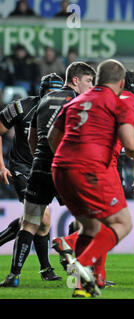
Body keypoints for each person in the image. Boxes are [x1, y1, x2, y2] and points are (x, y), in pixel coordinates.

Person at [52, 70, 134, 293]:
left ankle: (90, 281)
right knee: (118, 223)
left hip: (64, 165)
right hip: (103, 166)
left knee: (93, 224)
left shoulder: (86, 98)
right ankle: (76, 252)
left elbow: (54, 137)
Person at [0, 62, 95, 287]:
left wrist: (38, 158)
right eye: (89, 81)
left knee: (37, 221)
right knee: (83, 218)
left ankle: (29, 272)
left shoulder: (40, 105)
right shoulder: (77, 102)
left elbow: (33, 137)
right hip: (42, 167)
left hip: (38, 165)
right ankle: (82, 271)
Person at [0, 73, 64, 285]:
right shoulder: (21, 107)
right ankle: (29, 272)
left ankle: (45, 268)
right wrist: (1, 165)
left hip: (47, 168)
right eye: (49, 92)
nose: (52, 96)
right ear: (41, 92)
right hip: (23, 168)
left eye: (56, 92)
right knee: (41, 217)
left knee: (41, 223)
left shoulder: (67, 110)